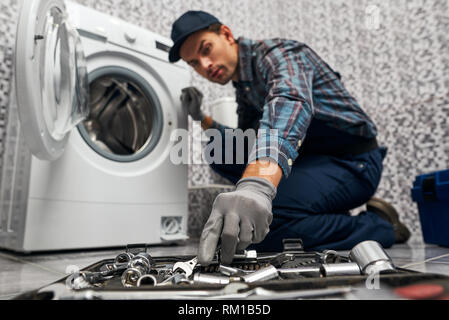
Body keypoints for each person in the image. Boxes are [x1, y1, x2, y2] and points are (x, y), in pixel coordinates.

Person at [168, 10, 410, 266]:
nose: (204, 65)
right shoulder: (244, 88)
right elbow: (247, 142)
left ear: (226, 34)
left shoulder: (282, 53)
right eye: (194, 63)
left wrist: (257, 186)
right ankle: (318, 209)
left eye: (206, 49)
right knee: (219, 151)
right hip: (311, 162)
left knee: (269, 227)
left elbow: (289, 103)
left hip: (352, 162)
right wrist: (201, 118)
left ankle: (380, 226)